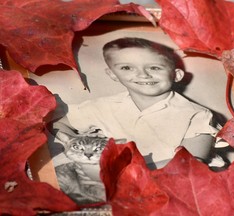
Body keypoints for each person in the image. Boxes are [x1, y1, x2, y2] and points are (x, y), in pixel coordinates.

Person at [53, 37, 221, 169]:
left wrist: (126, 170)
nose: (143, 75)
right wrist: (76, 143)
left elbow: (191, 163)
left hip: (174, 183)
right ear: (112, 74)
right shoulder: (103, 106)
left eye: (154, 68)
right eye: (127, 68)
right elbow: (59, 124)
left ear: (176, 75)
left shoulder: (197, 115)